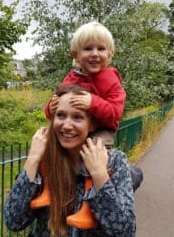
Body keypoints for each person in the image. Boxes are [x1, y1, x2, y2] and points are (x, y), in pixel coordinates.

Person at [4, 85, 136, 237]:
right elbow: (13, 220)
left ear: (92, 124)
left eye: (78, 117)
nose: (66, 125)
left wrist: (99, 175)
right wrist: (33, 159)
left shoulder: (114, 161)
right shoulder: (44, 161)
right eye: (60, 115)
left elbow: (124, 234)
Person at [45, 21, 126, 150]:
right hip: (73, 128)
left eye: (101, 49)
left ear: (110, 53)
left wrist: (93, 103)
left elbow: (115, 113)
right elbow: (57, 108)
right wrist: (50, 108)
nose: (94, 54)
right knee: (48, 140)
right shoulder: (71, 79)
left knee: (95, 150)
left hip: (100, 131)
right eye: (88, 48)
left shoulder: (111, 80)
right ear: (76, 55)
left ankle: (104, 168)